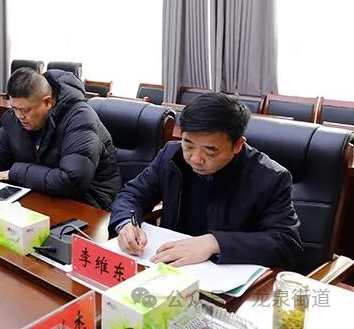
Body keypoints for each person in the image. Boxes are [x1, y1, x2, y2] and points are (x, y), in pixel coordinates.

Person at [109, 92, 303, 269]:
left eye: (210, 151)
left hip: (223, 276)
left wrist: (215, 242)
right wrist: (126, 223)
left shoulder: (271, 178)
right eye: (188, 144)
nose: (195, 159)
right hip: (168, 268)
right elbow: (132, 194)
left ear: (237, 145)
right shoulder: (171, 155)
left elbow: (286, 243)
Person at [0, 68, 122, 210]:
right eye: (14, 108)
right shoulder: (17, 117)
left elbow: (72, 180)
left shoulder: (80, 118)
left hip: (89, 203)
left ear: (47, 102)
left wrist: (14, 173)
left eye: (25, 110)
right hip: (41, 192)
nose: (19, 116)